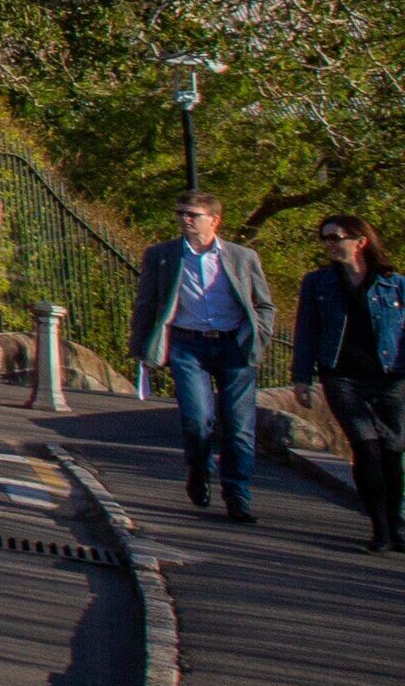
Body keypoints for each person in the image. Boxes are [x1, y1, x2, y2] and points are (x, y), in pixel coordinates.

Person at [131, 192, 275, 523]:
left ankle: (238, 494)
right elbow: (147, 303)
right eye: (180, 213)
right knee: (197, 419)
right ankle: (199, 468)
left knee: (239, 426)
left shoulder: (242, 257)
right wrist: (141, 347)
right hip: (188, 344)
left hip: (234, 345)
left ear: (214, 220)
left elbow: (264, 304)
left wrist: (258, 338)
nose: (185, 219)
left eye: (193, 214)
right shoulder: (162, 255)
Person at [291, 215, 405, 551]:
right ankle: (379, 528)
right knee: (366, 448)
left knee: (392, 451)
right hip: (342, 377)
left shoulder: (394, 284)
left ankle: (395, 525)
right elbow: (307, 331)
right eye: (325, 238)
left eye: (335, 237)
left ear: (360, 241)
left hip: (390, 377)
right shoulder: (318, 283)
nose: (328, 244)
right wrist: (301, 378)